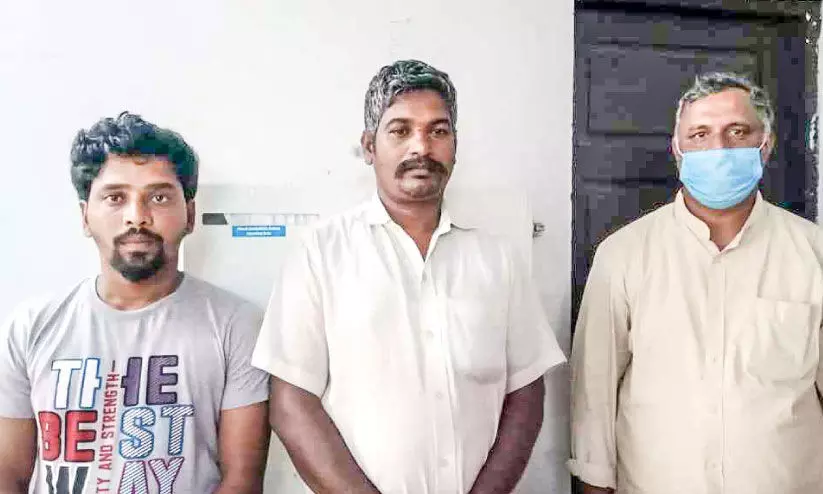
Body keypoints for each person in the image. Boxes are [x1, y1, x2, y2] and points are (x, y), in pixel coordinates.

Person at [252, 59, 566, 493]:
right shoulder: (320, 253)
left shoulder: (498, 260)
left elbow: (526, 394)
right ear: (369, 146)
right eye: (400, 130)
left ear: (455, 146)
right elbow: (291, 404)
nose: (422, 147)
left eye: (438, 131)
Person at [569, 72, 823, 494]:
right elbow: (593, 395)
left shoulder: (813, 253)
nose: (718, 149)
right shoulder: (624, 255)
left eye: (737, 132)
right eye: (700, 134)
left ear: (766, 145)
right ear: (678, 149)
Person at [0, 112, 270, 493]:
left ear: (190, 214)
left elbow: (241, 481)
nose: (137, 217)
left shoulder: (235, 326)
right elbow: (8, 473)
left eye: (159, 197)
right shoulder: (30, 327)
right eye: (115, 198)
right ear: (85, 216)